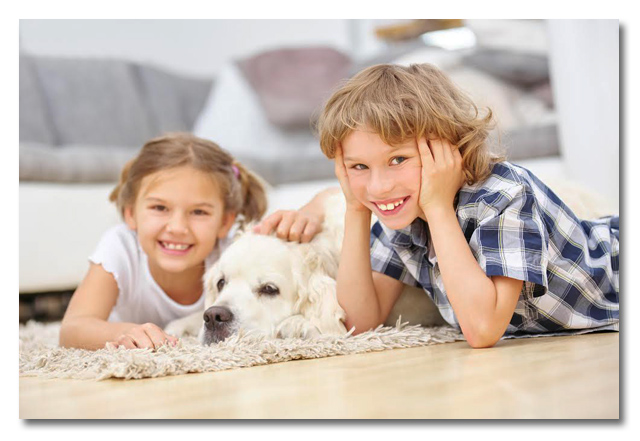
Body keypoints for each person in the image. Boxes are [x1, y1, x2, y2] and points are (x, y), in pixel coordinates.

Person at [316, 63, 619, 348]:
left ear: (447, 146)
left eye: (398, 159)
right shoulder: (402, 218)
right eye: (358, 166)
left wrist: (438, 209)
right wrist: (355, 208)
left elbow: (482, 329)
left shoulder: (503, 196)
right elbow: (358, 325)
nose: (378, 187)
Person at [59, 133, 330, 350]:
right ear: (130, 213)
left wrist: (312, 212)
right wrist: (126, 332)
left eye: (198, 212)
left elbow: (326, 200)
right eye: (159, 208)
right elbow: (73, 328)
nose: (177, 228)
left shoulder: (234, 257)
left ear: (225, 221)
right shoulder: (121, 247)